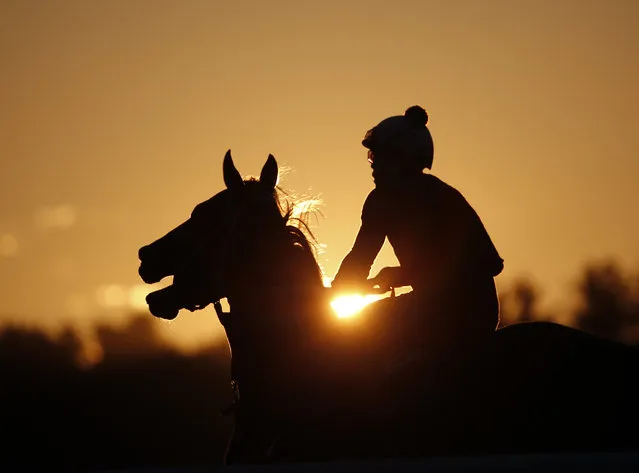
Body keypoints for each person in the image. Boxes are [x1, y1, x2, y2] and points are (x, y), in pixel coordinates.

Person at [331, 105, 504, 361]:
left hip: (468, 311)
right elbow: (360, 257)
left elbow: (485, 264)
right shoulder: (380, 201)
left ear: (402, 160)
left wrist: (399, 275)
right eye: (372, 157)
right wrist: (334, 290)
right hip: (430, 307)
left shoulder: (442, 199)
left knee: (370, 332)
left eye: (379, 158)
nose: (373, 165)